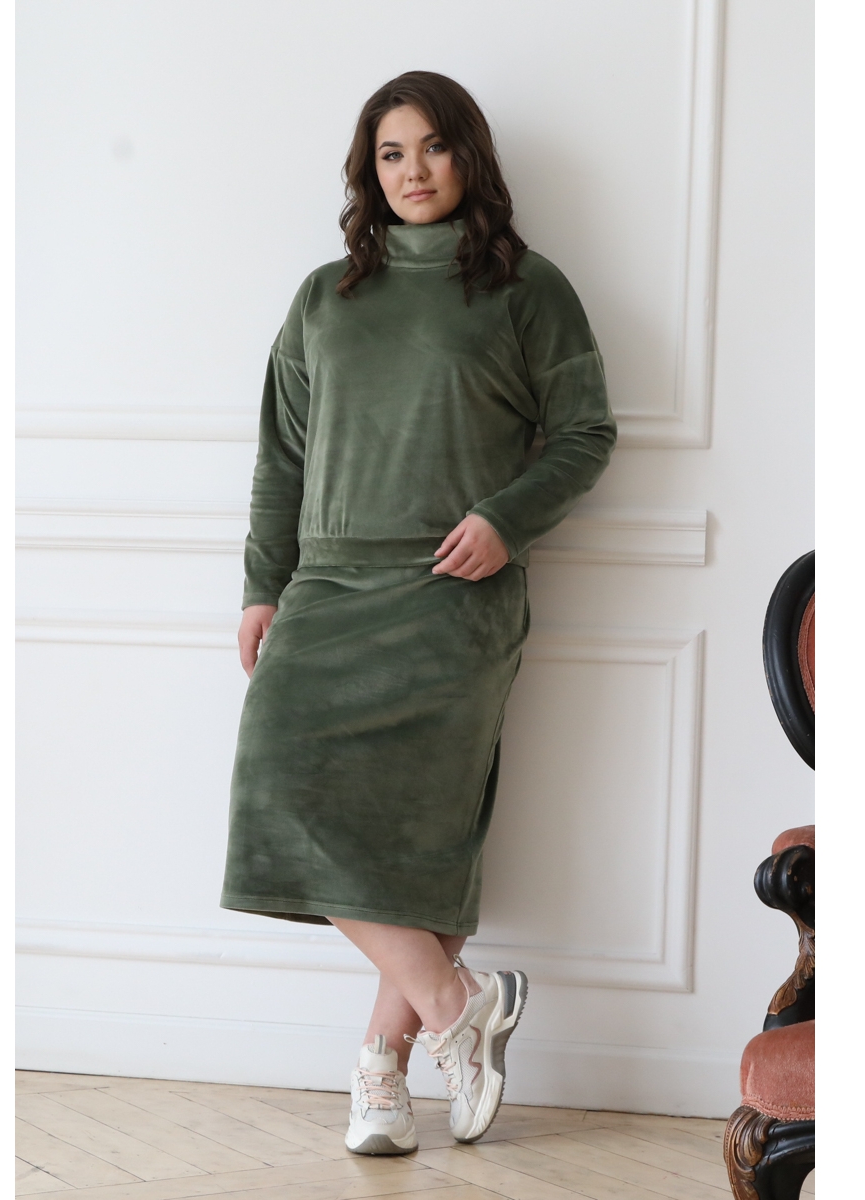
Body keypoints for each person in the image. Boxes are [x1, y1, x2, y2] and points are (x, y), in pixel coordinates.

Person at [221, 70, 616, 1155]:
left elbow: (586, 431)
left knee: (418, 839)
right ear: (369, 172)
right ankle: (457, 1005)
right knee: (276, 789)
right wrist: (262, 583)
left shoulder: (528, 289)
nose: (413, 171)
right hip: (329, 585)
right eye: (391, 154)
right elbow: (283, 454)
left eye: (434, 147)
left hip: (456, 594)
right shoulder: (325, 297)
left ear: (468, 157)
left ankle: (383, 1076)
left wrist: (506, 520)